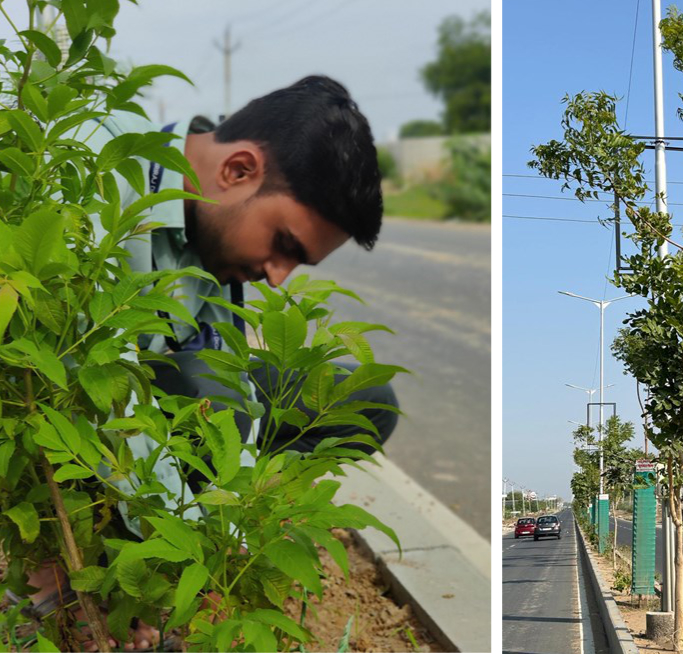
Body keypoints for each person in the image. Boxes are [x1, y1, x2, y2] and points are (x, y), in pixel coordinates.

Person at [19, 75, 399, 651]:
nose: (278, 277)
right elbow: (96, 390)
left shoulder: (213, 234)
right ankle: (59, 565)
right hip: (48, 400)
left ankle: (161, 546)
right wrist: (183, 549)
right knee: (199, 385)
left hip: (138, 410)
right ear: (238, 170)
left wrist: (232, 530)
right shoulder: (98, 166)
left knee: (365, 401)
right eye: (285, 245)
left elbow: (233, 384)